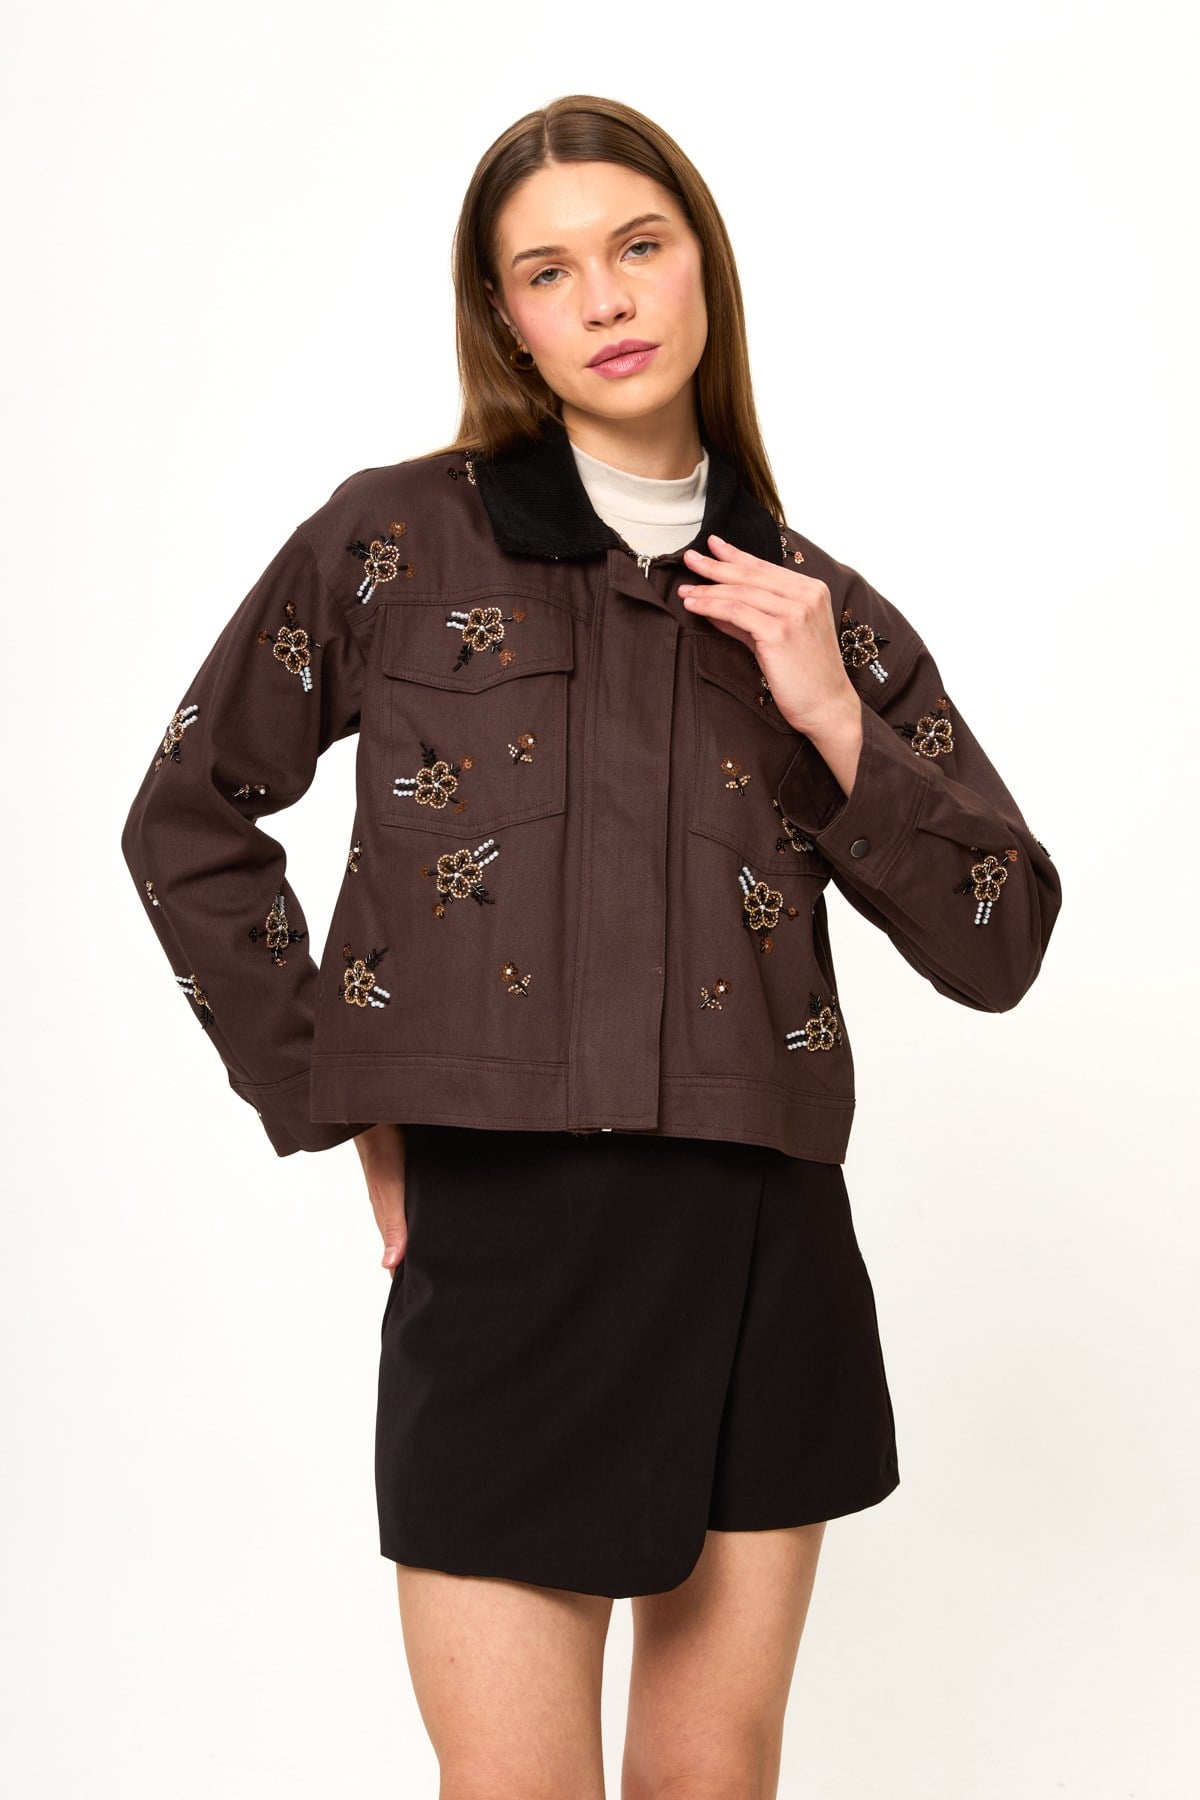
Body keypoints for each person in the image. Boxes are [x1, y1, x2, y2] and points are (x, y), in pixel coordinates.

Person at [121, 94, 1061, 1800]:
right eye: (548, 271)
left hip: (763, 1238)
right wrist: (344, 1088)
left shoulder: (811, 604)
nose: (606, 298)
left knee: (710, 1784)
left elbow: (1000, 934)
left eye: (639, 246)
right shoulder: (392, 543)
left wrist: (836, 719)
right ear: (506, 318)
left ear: (703, 268)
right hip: (507, 1242)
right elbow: (187, 816)